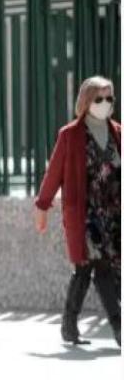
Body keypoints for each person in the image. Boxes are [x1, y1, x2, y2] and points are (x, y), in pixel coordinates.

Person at [34, 75, 121, 346]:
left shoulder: (118, 131)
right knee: (101, 268)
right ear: (86, 101)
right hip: (85, 214)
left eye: (109, 98)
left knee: (86, 270)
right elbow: (54, 172)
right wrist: (43, 205)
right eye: (99, 98)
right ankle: (119, 327)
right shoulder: (70, 135)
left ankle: (69, 326)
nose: (105, 103)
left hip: (113, 214)